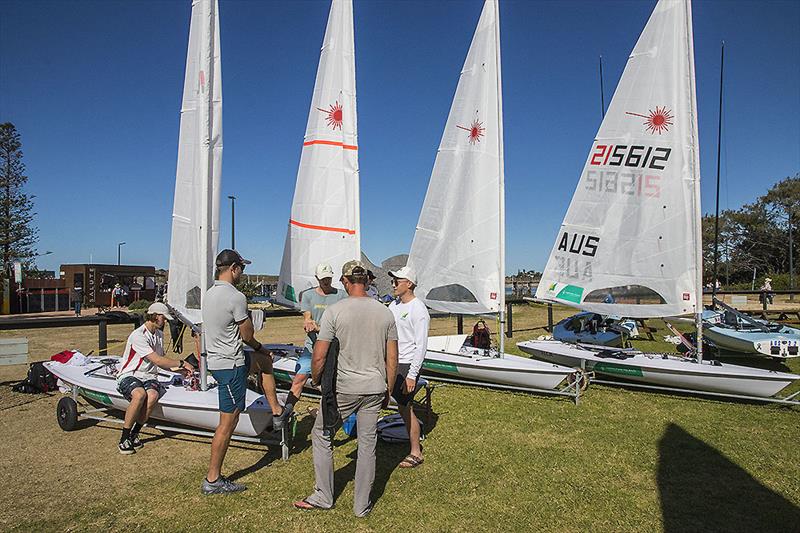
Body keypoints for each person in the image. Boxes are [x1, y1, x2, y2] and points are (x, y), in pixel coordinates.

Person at [293, 260, 398, 517]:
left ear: (345, 282)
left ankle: (324, 495)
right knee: (367, 444)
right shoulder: (385, 312)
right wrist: (388, 390)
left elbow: (319, 355)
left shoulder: (335, 311)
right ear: (368, 281)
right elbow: (392, 358)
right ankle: (361, 506)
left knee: (322, 434)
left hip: (345, 388)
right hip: (375, 387)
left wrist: (317, 380)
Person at [201, 249, 286, 495]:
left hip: (226, 360)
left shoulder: (210, 293)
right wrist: (262, 348)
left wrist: (262, 354)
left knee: (264, 364)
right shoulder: (235, 297)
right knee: (227, 423)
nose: (243, 273)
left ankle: (277, 411)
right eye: (242, 268)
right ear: (234, 269)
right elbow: (247, 335)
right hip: (229, 364)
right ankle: (213, 479)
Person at [116, 302, 194, 454]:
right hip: (130, 374)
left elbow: (161, 361)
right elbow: (157, 360)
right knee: (139, 394)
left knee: (152, 395)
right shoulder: (138, 335)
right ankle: (124, 438)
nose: (165, 321)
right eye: (164, 318)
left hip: (149, 376)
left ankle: (135, 434)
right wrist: (182, 362)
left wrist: (180, 371)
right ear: (156, 316)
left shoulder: (158, 335)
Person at [281, 263, 346, 421]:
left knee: (332, 383)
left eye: (329, 278)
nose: (326, 282)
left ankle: (333, 414)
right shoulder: (309, 295)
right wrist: (309, 323)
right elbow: (307, 317)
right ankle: (284, 413)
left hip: (333, 348)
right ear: (317, 278)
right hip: (312, 348)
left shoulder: (341, 295)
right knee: (299, 379)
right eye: (323, 279)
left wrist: (320, 328)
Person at [388, 266, 430, 469]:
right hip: (391, 361)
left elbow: (421, 346)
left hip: (406, 363)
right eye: (393, 281)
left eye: (397, 281)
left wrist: (412, 374)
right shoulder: (393, 306)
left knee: (405, 407)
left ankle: (416, 452)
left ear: (409, 284)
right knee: (390, 402)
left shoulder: (418, 309)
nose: (393, 284)